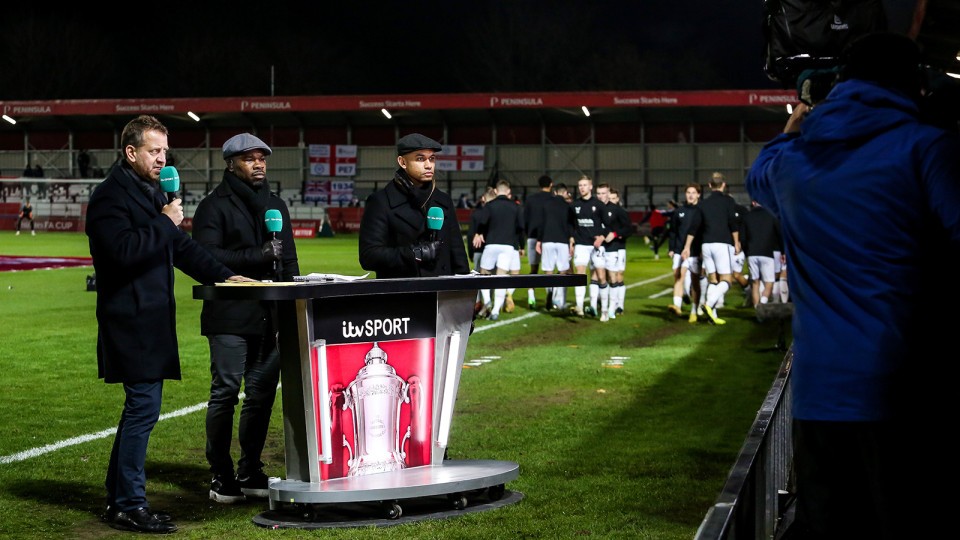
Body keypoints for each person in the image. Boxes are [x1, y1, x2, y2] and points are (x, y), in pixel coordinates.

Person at [745, 33, 960, 539]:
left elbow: (759, 174)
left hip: (820, 396)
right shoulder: (926, 146)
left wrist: (800, 117)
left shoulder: (793, 162)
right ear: (914, 82)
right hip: (907, 389)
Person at [85, 115, 253, 534]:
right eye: (153, 151)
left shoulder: (152, 193)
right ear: (131, 152)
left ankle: (120, 499)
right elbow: (122, 253)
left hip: (150, 319)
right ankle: (128, 504)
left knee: (140, 409)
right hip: (130, 320)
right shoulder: (109, 197)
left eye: (164, 150)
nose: (162, 158)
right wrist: (164, 220)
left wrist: (225, 277)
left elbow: (182, 249)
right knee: (143, 408)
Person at [191, 133, 301, 504]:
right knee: (225, 393)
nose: (258, 164)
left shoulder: (276, 206)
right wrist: (258, 255)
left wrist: (292, 303)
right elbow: (205, 257)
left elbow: (288, 261)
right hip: (229, 315)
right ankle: (221, 474)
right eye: (249, 158)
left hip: (270, 315)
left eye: (262, 158)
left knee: (261, 396)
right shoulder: (213, 206)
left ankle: (250, 469)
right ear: (231, 163)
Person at [359, 133, 469, 279]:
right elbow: (368, 256)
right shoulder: (380, 201)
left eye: (432, 158)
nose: (428, 165)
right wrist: (413, 254)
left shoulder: (443, 200)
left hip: (441, 290)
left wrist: (465, 288)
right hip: (402, 290)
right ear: (402, 162)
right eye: (420, 159)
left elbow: (458, 254)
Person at [691, 172, 739, 325]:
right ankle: (709, 304)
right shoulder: (728, 201)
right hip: (722, 243)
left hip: (706, 244)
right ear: (723, 185)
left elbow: (696, 227)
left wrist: (689, 246)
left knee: (713, 280)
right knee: (727, 280)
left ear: (709, 185)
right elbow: (732, 222)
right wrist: (736, 241)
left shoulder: (703, 203)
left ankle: (712, 316)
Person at [472, 179, 525, 321]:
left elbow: (483, 222)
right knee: (501, 277)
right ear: (508, 191)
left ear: (495, 191)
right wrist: (522, 246)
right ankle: (495, 310)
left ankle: (488, 301)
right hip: (508, 246)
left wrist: (478, 233)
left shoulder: (490, 205)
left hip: (491, 245)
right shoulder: (516, 207)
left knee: (484, 274)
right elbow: (521, 228)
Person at [535, 182, 576, 311]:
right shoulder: (568, 206)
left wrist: (539, 240)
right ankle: (559, 300)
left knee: (548, 270)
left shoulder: (546, 204)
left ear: (555, 192)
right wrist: (571, 240)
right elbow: (571, 225)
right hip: (562, 241)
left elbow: (541, 223)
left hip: (547, 240)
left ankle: (549, 292)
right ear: (565, 193)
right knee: (563, 270)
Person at [570, 175, 606, 317]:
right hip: (581, 244)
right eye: (580, 185)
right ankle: (579, 306)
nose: (582, 188)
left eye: (585, 185)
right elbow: (570, 224)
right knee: (580, 274)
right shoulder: (574, 205)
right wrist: (571, 239)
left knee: (600, 276)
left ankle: (600, 309)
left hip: (596, 246)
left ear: (590, 187)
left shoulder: (599, 205)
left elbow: (608, 225)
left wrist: (602, 237)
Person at [668, 184, 701, 319]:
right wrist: (671, 248)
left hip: (695, 251)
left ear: (698, 194)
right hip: (679, 250)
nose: (691, 195)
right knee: (678, 276)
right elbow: (673, 231)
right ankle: (677, 306)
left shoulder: (701, 210)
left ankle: (695, 309)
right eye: (688, 192)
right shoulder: (679, 211)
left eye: (693, 192)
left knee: (695, 282)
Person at [739, 200, 781, 308]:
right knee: (769, 283)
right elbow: (779, 234)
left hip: (752, 253)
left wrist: (747, 251)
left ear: (753, 203)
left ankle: (757, 309)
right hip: (767, 252)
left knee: (755, 283)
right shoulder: (771, 215)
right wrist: (783, 251)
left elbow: (742, 238)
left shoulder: (747, 216)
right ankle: (762, 303)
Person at [522, 175, 553, 309]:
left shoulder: (530, 199)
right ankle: (549, 294)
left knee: (533, 268)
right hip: (548, 237)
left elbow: (525, 219)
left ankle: (531, 296)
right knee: (548, 270)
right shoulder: (553, 199)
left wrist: (527, 234)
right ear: (551, 184)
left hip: (533, 237)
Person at [602, 188, 632, 318]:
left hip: (620, 247)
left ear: (618, 199)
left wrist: (616, 234)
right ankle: (609, 303)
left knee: (619, 276)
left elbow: (628, 229)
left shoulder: (621, 212)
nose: (612, 201)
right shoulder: (604, 212)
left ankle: (620, 305)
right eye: (610, 198)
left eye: (614, 198)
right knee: (609, 276)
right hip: (608, 247)